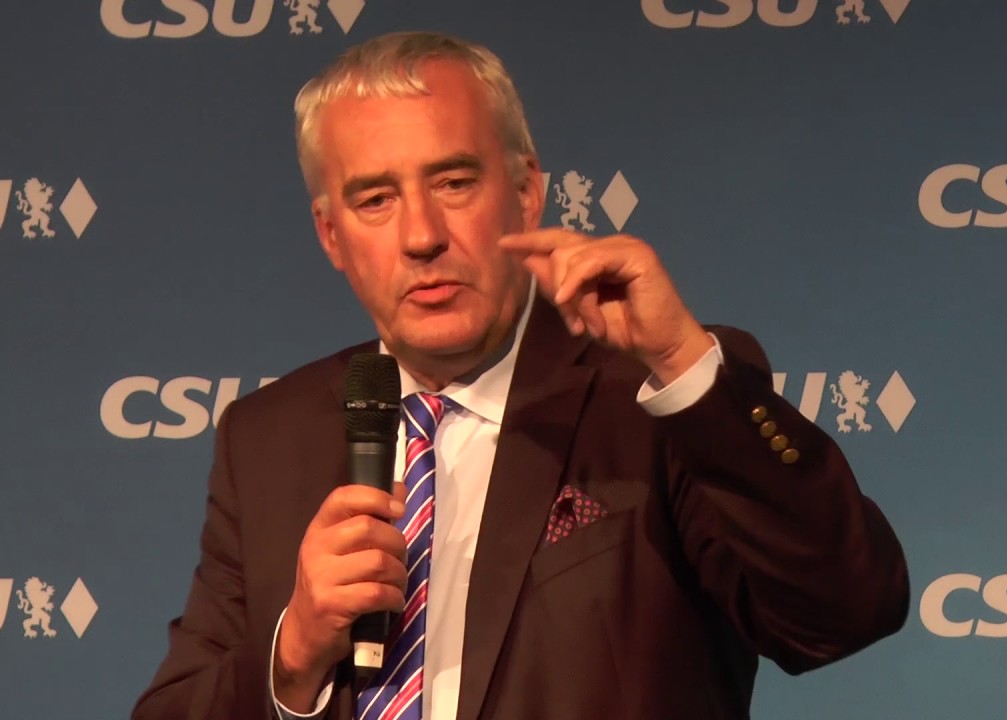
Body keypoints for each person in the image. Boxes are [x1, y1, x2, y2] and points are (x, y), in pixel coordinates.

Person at [131, 30, 909, 720]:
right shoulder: (267, 438)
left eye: (454, 182)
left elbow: (844, 614)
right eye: (375, 199)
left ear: (527, 193)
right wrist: (294, 654)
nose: (422, 235)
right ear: (331, 235)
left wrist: (682, 365)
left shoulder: (654, 397)